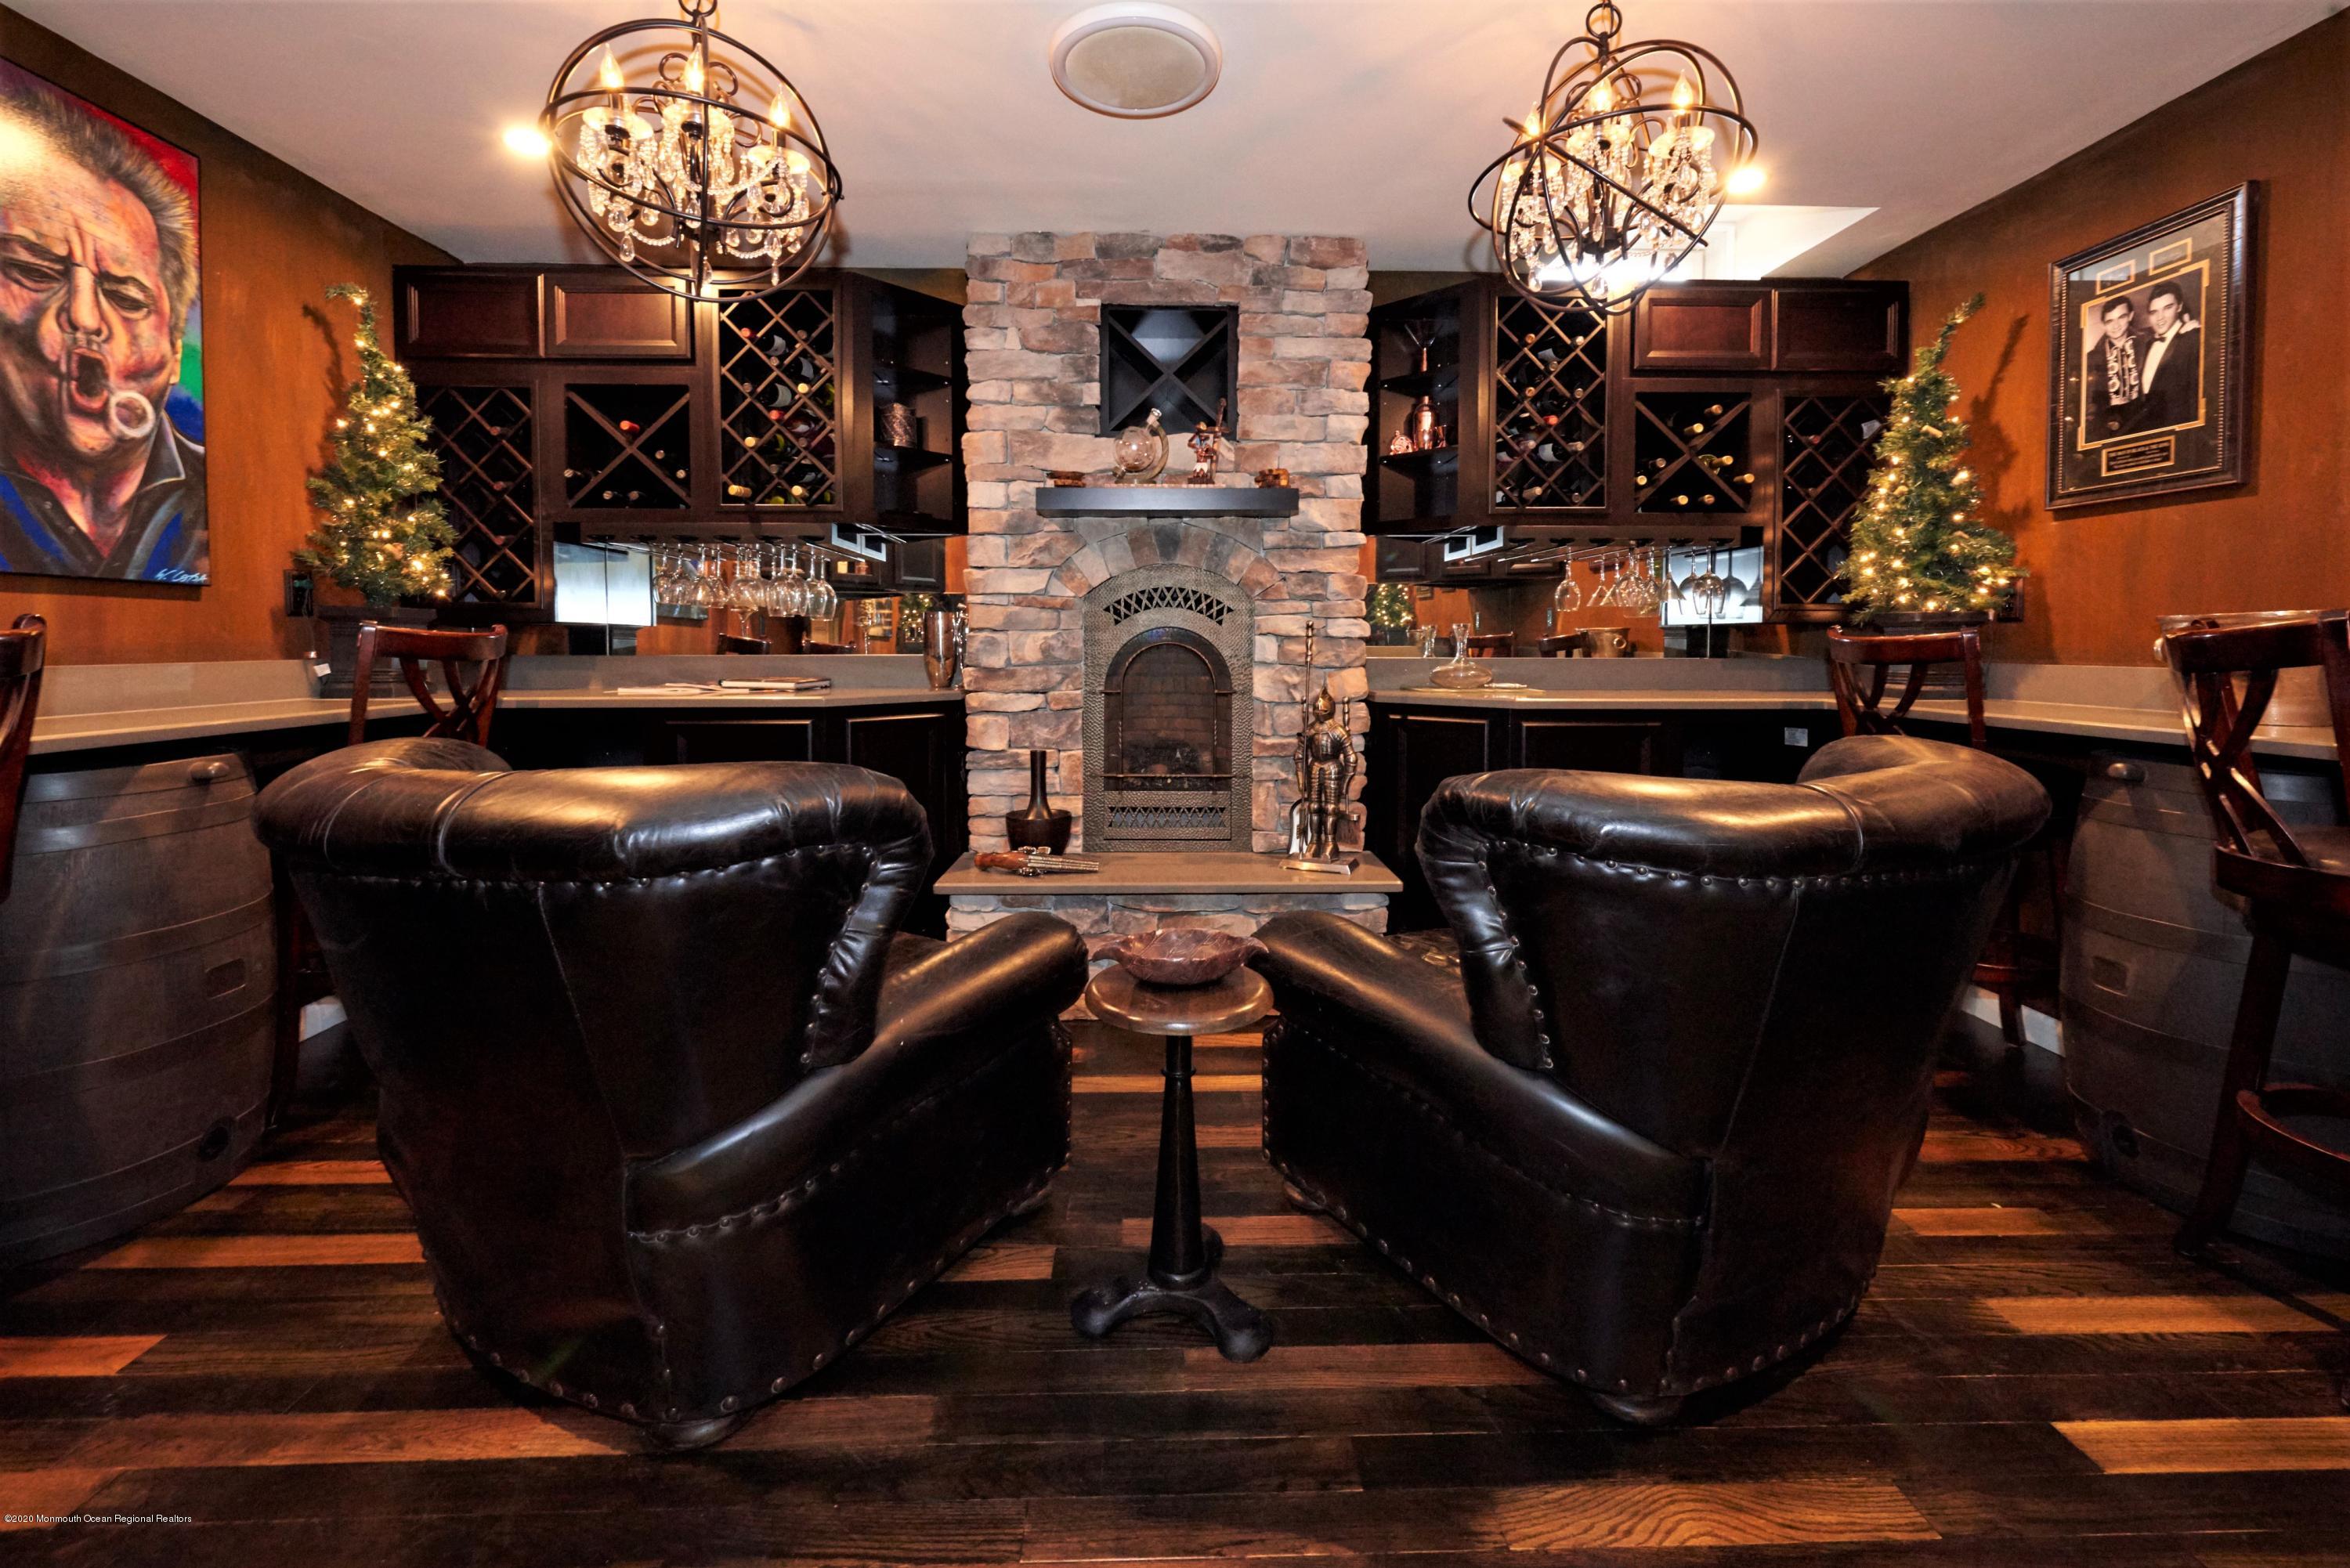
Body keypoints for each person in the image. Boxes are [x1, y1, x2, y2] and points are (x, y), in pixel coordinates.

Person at [0, 74, 205, 582]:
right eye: (34, 271)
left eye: (127, 298)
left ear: (174, 351)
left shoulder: (212, 495)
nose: (85, 318)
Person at [2135, 279, 2204, 434]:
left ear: (2179, 306)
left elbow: (2196, 397)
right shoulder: (2146, 345)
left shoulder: (2193, 338)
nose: (2160, 318)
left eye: (2167, 308)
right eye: (2154, 312)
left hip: (2180, 434)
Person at [2083, 295, 2149, 439]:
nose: (2116, 325)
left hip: (2143, 418)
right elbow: (2090, 401)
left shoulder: (2147, 342)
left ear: (2130, 316)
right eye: (2110, 321)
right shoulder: (2091, 358)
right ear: (2103, 324)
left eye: (2121, 317)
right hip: (2108, 424)